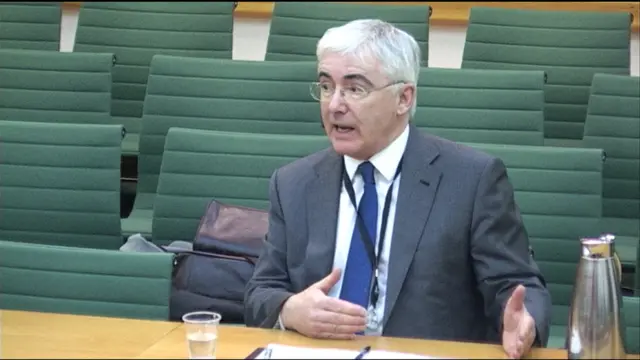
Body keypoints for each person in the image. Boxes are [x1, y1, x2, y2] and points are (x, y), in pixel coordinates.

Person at [244, 19, 552, 359]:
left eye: (355, 89)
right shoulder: (294, 183)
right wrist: (289, 310)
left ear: (403, 98)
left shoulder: (472, 180)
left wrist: (524, 322)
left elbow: (517, 285)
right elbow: (260, 291)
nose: (334, 105)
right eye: (326, 86)